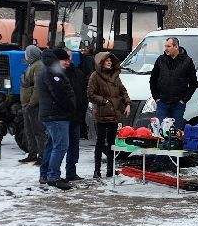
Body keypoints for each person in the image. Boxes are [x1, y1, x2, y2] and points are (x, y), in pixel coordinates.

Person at [36, 47, 76, 190]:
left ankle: (46, 174)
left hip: (52, 114)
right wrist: (70, 108)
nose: (67, 62)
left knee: (51, 145)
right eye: (65, 60)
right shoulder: (52, 72)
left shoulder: (48, 70)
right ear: (57, 60)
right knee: (61, 146)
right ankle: (53, 176)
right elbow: (59, 94)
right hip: (56, 115)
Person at [86, 50, 130, 180]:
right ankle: (97, 170)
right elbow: (90, 94)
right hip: (101, 114)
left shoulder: (115, 76)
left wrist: (128, 103)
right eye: (106, 60)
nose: (109, 62)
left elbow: (123, 91)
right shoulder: (95, 76)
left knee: (112, 142)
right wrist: (104, 101)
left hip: (114, 113)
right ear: (101, 63)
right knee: (100, 142)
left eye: (110, 60)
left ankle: (110, 169)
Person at [148, 36, 196, 134]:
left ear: (176, 47)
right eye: (165, 46)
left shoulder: (187, 61)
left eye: (168, 46)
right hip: (162, 103)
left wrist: (184, 100)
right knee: (160, 132)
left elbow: (193, 83)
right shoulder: (160, 60)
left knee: (176, 133)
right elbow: (152, 80)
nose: (166, 49)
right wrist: (156, 98)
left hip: (178, 104)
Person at [63, 51, 89, 181]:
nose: (67, 60)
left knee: (74, 145)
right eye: (65, 57)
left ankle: (71, 172)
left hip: (76, 115)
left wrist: (82, 110)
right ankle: (51, 174)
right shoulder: (57, 74)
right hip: (62, 116)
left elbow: (83, 94)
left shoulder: (78, 73)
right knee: (58, 146)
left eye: (69, 57)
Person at [18, 44, 45, 163]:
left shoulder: (38, 66)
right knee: (29, 130)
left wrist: (32, 103)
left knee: (38, 130)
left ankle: (42, 155)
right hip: (27, 104)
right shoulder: (32, 65)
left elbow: (38, 87)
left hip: (33, 105)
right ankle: (32, 153)